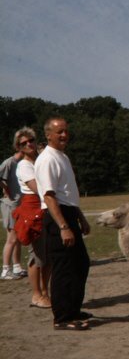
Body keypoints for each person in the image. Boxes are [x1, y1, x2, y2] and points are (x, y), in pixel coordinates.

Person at [34, 118, 92, 331]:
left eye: (66, 131)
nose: (64, 135)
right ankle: (62, 317)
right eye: (59, 132)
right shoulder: (47, 159)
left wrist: (80, 218)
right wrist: (63, 226)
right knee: (64, 268)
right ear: (48, 135)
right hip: (57, 217)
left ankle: (73, 309)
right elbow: (49, 196)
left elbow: (68, 193)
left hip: (69, 212)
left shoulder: (63, 157)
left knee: (80, 264)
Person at [14, 128, 51, 308]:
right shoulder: (24, 166)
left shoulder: (39, 161)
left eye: (31, 140)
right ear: (18, 147)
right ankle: (37, 295)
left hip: (44, 207)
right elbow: (39, 189)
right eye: (23, 143)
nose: (28, 144)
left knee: (47, 255)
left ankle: (46, 292)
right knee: (37, 256)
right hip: (33, 209)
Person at [1, 144, 26, 281]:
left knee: (18, 238)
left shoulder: (21, 163)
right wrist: (7, 190)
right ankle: (5, 270)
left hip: (19, 205)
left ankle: (17, 267)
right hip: (11, 205)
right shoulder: (9, 162)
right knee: (11, 238)